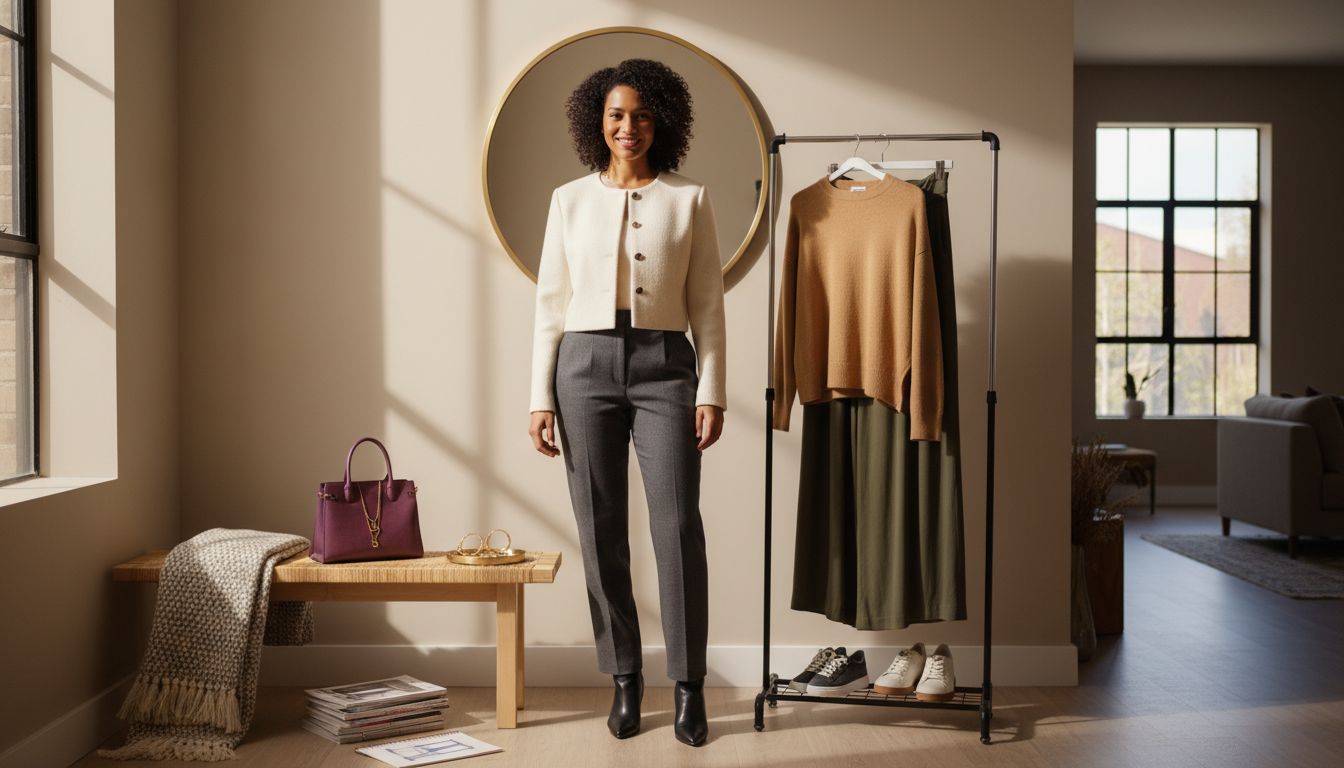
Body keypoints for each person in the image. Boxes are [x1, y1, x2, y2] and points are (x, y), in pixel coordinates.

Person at [527, 58, 726, 747]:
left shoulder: (689, 199)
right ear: (597, 122)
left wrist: (713, 391)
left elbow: (709, 306)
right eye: (616, 114)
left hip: (667, 367)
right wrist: (538, 398)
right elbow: (549, 304)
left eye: (641, 115)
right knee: (599, 528)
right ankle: (623, 679)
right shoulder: (567, 200)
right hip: (581, 368)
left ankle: (689, 687)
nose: (628, 126)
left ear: (660, 121)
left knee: (676, 530)